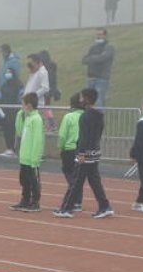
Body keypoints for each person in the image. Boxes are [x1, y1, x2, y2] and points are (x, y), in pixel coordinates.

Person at [53, 88, 113, 218]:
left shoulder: (85, 116)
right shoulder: (99, 115)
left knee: (76, 181)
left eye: (81, 97)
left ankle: (67, 208)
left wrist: (81, 153)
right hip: (95, 152)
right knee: (94, 181)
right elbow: (97, 135)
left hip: (84, 154)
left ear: (86, 99)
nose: (80, 100)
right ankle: (104, 206)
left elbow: (83, 137)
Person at [11, 93, 43, 212]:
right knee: (24, 180)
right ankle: (25, 200)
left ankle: (35, 202)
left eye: (23, 104)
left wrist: (35, 158)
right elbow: (19, 132)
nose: (22, 106)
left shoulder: (36, 119)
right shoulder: (28, 117)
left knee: (33, 181)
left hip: (31, 158)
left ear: (29, 105)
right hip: (24, 157)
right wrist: (19, 115)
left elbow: (37, 140)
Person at [57, 93, 85, 213]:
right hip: (82, 149)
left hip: (70, 149)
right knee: (78, 175)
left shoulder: (68, 117)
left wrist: (61, 147)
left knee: (69, 174)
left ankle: (74, 200)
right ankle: (78, 201)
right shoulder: (85, 115)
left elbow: (62, 135)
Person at [81, 28, 115, 108]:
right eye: (97, 34)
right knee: (86, 101)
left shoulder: (109, 47)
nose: (98, 36)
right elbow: (84, 60)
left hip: (102, 79)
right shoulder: (93, 48)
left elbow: (102, 58)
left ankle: (99, 119)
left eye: (100, 34)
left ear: (105, 35)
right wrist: (95, 58)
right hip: (90, 78)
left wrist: (92, 58)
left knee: (99, 101)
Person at [0, 65, 23, 157]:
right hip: (5, 111)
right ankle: (8, 148)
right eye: (6, 72)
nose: (7, 74)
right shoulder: (5, 84)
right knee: (6, 129)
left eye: (9, 72)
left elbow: (19, 96)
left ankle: (13, 148)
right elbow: (2, 95)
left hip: (14, 110)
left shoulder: (18, 84)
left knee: (13, 129)